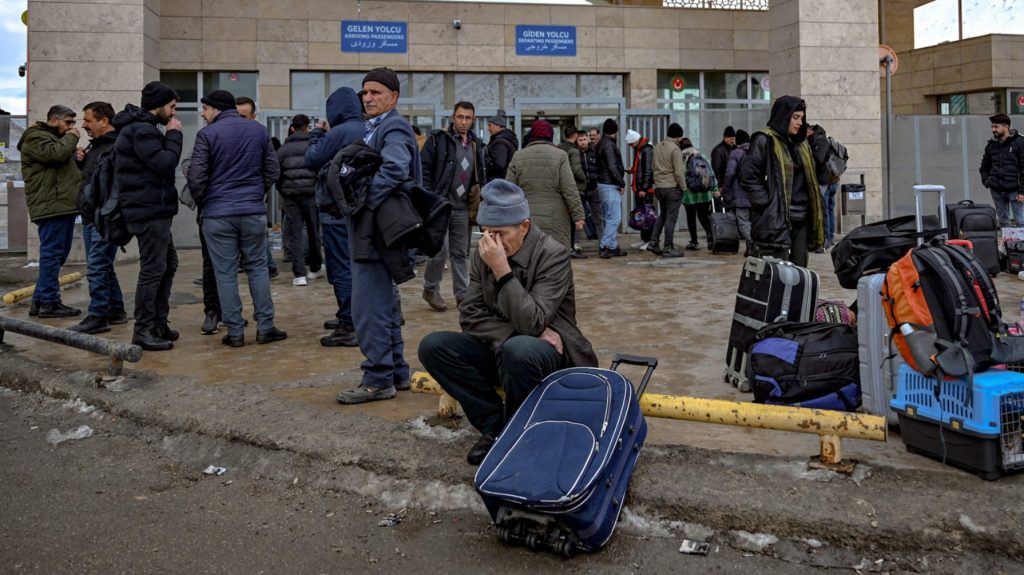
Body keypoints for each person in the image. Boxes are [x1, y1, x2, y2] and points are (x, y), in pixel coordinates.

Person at [418, 179, 598, 465]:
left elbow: (534, 320)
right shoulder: (485, 251)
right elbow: (470, 314)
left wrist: (502, 270)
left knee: (520, 349)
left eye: (501, 233)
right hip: (504, 347)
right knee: (434, 346)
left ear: (524, 227)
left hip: (552, 355)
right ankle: (495, 427)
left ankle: (521, 432)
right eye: (487, 232)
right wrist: (510, 334)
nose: (493, 241)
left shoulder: (553, 254)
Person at [335, 67, 422, 405]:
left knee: (368, 309)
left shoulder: (393, 126)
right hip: (376, 236)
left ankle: (377, 381)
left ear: (394, 98)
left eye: (376, 92)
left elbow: (396, 168)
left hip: (374, 235)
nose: (368, 98)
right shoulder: (379, 128)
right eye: (365, 92)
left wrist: (364, 202)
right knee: (383, 306)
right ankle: (396, 373)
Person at [187, 89, 286, 347]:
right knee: (258, 268)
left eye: (205, 109)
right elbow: (273, 170)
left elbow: (196, 178)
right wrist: (255, 193)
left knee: (225, 272)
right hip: (252, 211)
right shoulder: (259, 131)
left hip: (218, 214)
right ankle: (266, 327)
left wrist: (207, 202)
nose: (202, 113)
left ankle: (235, 332)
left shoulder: (206, 135)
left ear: (216, 109)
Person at [112, 82, 184, 350]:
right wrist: (174, 135)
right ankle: (143, 330)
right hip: (148, 210)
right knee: (154, 269)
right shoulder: (142, 130)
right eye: (172, 107)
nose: (174, 114)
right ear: (159, 105)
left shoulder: (144, 129)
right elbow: (165, 163)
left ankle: (157, 323)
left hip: (153, 209)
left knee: (169, 264)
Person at [305, 87, 365, 348]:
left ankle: (348, 324)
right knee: (361, 268)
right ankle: (356, 316)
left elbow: (311, 158)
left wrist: (317, 133)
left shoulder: (339, 132)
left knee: (341, 269)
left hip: (336, 212)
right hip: (361, 211)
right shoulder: (368, 128)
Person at [739, 95, 825, 267]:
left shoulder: (802, 145)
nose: (800, 122)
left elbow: (815, 177)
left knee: (799, 272)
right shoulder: (764, 140)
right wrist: (766, 203)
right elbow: (748, 176)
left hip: (801, 218)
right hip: (775, 219)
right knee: (776, 276)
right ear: (783, 115)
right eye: (795, 117)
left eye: (802, 118)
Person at [17, 105, 82, 319]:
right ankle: (49, 302)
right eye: (68, 122)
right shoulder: (35, 137)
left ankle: (39, 300)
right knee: (53, 254)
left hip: (61, 205)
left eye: (73, 123)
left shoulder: (52, 138)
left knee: (57, 254)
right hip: (51, 205)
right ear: (54, 120)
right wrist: (72, 139)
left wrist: (77, 157)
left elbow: (61, 165)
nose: (72, 127)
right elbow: (54, 155)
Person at [421, 101, 485, 312]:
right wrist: (429, 198)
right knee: (440, 250)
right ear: (453, 117)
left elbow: (479, 174)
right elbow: (425, 170)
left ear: (473, 120)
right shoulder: (438, 140)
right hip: (441, 205)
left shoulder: (476, 144)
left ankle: (462, 295)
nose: (464, 121)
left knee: (460, 253)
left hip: (463, 207)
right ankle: (430, 288)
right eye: (460, 117)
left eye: (468, 118)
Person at [70, 101, 127, 333]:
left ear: (104, 121)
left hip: (105, 217)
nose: (84, 126)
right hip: (91, 216)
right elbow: (92, 180)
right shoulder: (98, 147)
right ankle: (115, 310)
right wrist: (81, 161)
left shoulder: (116, 147)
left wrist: (107, 213)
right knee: (103, 266)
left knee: (96, 267)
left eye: (88, 120)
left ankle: (98, 316)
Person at [506, 119, 584, 251]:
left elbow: (508, 190)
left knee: (529, 259)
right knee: (554, 260)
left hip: (526, 218)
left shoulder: (518, 156)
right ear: (550, 136)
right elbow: (569, 188)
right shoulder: (560, 155)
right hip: (555, 219)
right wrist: (578, 216)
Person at [276, 113, 325, 286]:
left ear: (292, 128)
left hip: (291, 197)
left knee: (294, 234)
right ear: (307, 127)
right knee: (314, 231)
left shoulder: (283, 150)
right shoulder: (313, 145)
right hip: (311, 195)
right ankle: (315, 267)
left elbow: (277, 174)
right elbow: (321, 169)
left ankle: (299, 275)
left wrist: (284, 190)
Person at [236, 95, 281, 279]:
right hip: (230, 199)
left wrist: (258, 189)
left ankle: (268, 265)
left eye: (243, 116)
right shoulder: (221, 134)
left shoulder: (260, 135)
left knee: (257, 237)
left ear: (253, 117)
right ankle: (266, 265)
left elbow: (272, 169)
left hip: (252, 198)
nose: (239, 121)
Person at [648, 122, 686, 258]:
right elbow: (679, 172)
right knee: (671, 218)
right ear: (678, 137)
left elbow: (653, 167)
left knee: (663, 215)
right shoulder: (675, 149)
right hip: (672, 188)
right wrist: (683, 187)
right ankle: (668, 246)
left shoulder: (657, 147)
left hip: (659, 188)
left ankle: (653, 242)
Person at [980, 113, 1024, 228]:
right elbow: (984, 167)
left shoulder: (1019, 142)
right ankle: (1008, 246)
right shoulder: (991, 145)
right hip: (997, 190)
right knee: (1004, 222)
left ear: (1006, 127)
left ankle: (1021, 246)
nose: (993, 129)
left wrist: (1022, 191)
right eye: (992, 127)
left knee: (1021, 221)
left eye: (996, 127)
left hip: (1016, 191)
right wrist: (987, 181)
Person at [595, 118, 626, 258]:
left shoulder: (602, 143)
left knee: (609, 217)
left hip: (603, 184)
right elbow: (612, 166)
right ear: (615, 131)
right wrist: (621, 182)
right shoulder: (609, 145)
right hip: (609, 185)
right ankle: (605, 245)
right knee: (615, 218)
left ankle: (612, 246)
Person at [679, 138, 716, 251]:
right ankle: (712, 238)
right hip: (705, 194)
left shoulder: (682, 158)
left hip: (690, 195)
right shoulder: (701, 156)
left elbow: (681, 175)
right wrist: (714, 188)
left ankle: (694, 242)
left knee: (691, 219)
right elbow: (711, 173)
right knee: (704, 217)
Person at [558, 126, 588, 258]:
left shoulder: (558, 148)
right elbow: (576, 170)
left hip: (559, 188)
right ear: (575, 136)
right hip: (573, 187)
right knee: (575, 217)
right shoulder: (574, 151)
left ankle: (565, 245)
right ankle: (574, 246)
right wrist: (585, 179)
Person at [722, 129, 753, 256]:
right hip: (757, 194)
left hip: (740, 194)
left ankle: (753, 243)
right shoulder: (757, 152)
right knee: (754, 221)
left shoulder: (736, 153)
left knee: (743, 221)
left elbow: (730, 173)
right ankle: (750, 247)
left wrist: (724, 189)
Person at [808, 124, 837, 252]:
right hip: (832, 179)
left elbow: (819, 159)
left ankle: (826, 238)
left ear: (811, 131)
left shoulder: (819, 140)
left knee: (824, 210)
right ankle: (830, 236)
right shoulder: (823, 139)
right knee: (829, 209)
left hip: (825, 180)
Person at [625, 129, 655, 247]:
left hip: (644, 189)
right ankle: (644, 239)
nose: (631, 146)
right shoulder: (640, 149)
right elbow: (642, 168)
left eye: (631, 144)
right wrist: (633, 170)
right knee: (642, 214)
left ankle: (649, 240)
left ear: (635, 141)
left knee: (647, 215)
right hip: (640, 188)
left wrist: (644, 188)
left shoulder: (647, 150)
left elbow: (648, 170)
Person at [578, 130, 602, 241]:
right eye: (580, 140)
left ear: (588, 140)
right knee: (578, 217)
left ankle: (603, 242)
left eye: (584, 139)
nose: (583, 142)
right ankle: (576, 243)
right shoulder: (576, 154)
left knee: (598, 216)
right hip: (580, 190)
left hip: (594, 188)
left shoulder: (595, 152)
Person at [484, 109, 518, 181]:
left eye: (490, 125)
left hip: (497, 182)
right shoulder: (507, 139)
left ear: (498, 125)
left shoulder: (500, 142)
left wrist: (485, 162)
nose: (488, 129)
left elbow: (499, 165)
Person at [710, 126, 736, 197]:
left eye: (734, 139)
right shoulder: (718, 151)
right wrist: (720, 186)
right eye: (731, 139)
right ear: (725, 138)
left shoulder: (734, 148)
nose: (733, 141)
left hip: (731, 185)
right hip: (723, 186)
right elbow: (717, 170)